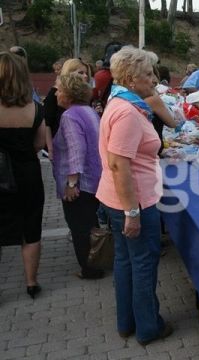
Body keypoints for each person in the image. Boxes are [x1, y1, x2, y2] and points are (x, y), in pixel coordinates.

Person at [95, 46, 172, 345]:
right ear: (130, 78)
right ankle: (149, 327)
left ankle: (127, 322)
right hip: (133, 201)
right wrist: (132, 212)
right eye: (148, 74)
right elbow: (118, 164)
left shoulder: (121, 102)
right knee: (142, 265)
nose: (154, 79)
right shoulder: (127, 111)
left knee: (126, 261)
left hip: (120, 199)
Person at [0, 52, 46, 298]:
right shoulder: (34, 109)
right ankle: (31, 282)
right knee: (31, 228)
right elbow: (39, 144)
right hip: (26, 173)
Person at [52, 73, 104, 279]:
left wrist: (71, 182)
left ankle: (90, 269)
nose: (56, 93)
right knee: (91, 223)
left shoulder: (70, 116)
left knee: (80, 227)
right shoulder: (89, 111)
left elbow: (76, 150)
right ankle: (98, 261)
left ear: (68, 94)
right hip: (95, 178)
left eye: (59, 89)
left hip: (81, 183)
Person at [45, 58, 92, 160]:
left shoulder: (86, 95)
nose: (85, 76)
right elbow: (47, 123)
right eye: (81, 73)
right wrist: (50, 150)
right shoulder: (55, 94)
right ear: (69, 73)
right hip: (61, 147)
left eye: (86, 73)